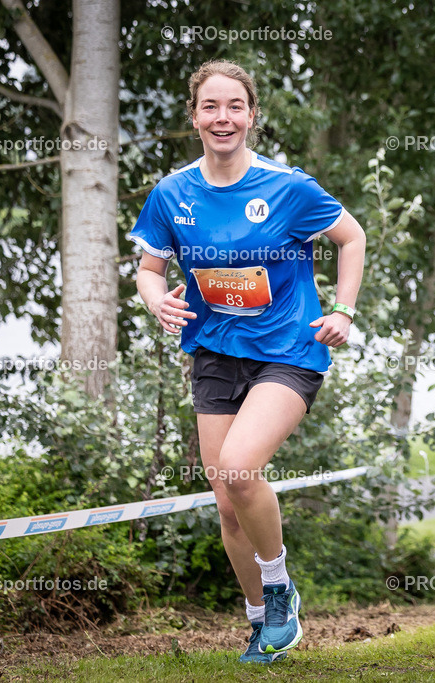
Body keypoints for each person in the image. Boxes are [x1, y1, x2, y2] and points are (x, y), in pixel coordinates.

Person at [130, 60, 366, 664]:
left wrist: (343, 310)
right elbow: (149, 269)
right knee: (228, 505)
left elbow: (352, 237)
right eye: (210, 106)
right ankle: (262, 621)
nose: (223, 118)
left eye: (234, 106)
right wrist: (157, 301)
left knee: (239, 467)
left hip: (288, 350)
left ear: (252, 115)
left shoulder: (288, 187)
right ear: (194, 117)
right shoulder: (172, 193)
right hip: (214, 353)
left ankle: (280, 587)